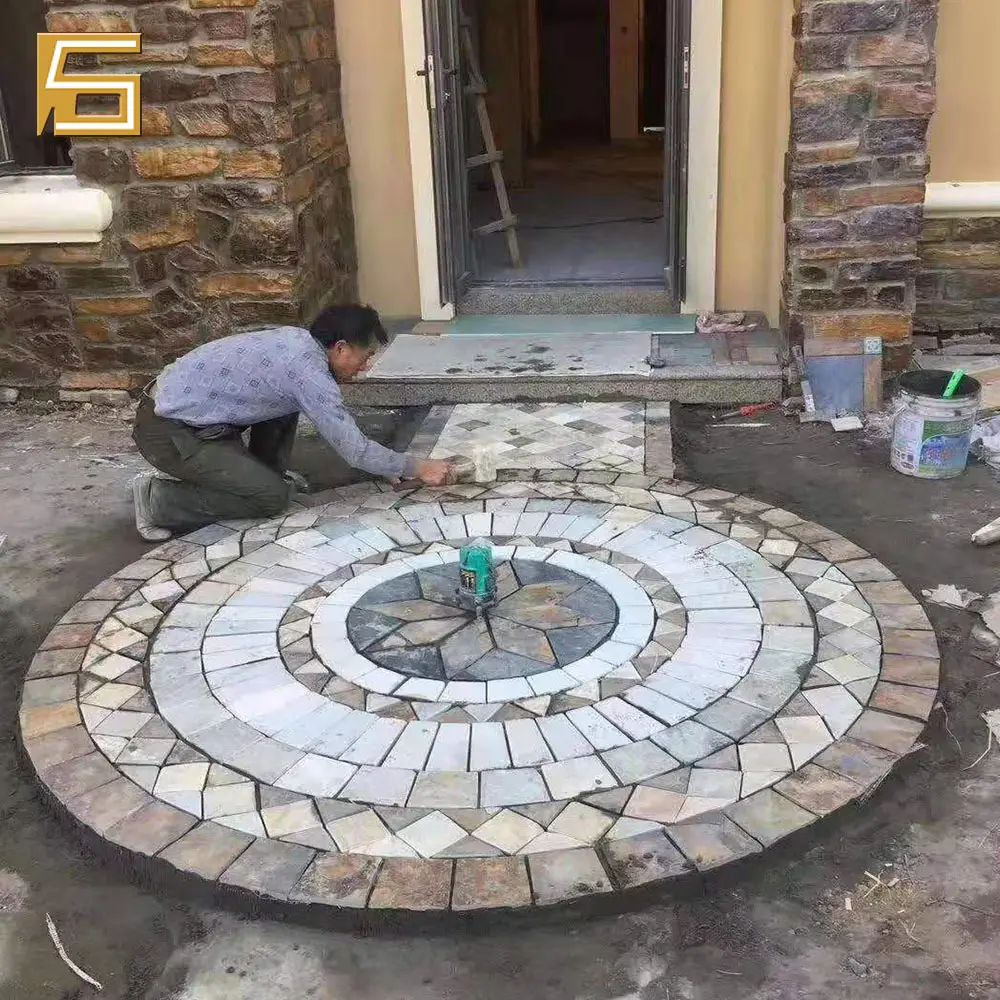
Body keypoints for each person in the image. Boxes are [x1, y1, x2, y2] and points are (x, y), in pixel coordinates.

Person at [130, 304, 455, 542]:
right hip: (168, 430)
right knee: (270, 498)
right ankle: (157, 500)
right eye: (365, 355)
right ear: (341, 348)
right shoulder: (309, 372)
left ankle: (261, 475)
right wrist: (418, 467)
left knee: (283, 407)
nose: (366, 365)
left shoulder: (300, 343)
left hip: (198, 421)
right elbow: (354, 451)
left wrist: (388, 465)